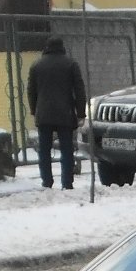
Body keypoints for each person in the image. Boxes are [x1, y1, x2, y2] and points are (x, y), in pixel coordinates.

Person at [28, 36, 86, 190]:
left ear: (46, 47)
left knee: (44, 150)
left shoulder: (37, 65)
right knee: (67, 150)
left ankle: (47, 182)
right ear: (62, 47)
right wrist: (81, 113)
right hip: (65, 114)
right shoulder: (71, 64)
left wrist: (34, 110)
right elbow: (79, 89)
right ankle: (67, 182)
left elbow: (31, 91)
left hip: (44, 114)